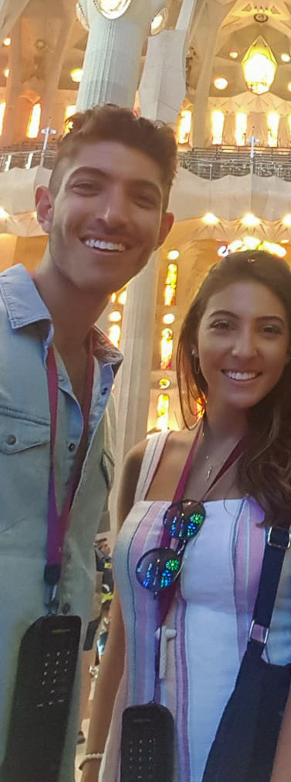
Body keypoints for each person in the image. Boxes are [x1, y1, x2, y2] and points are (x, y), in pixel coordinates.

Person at [82, 251, 291, 782]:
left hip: (246, 750)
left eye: (268, 329)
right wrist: (95, 757)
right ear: (193, 338)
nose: (244, 349)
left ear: (290, 350)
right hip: (138, 755)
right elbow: (126, 628)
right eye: (223, 325)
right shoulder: (145, 461)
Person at [0, 104, 176, 780]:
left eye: (140, 197)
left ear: (161, 231)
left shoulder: (98, 375)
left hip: (38, 732)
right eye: (88, 186)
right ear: (44, 206)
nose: (112, 213)